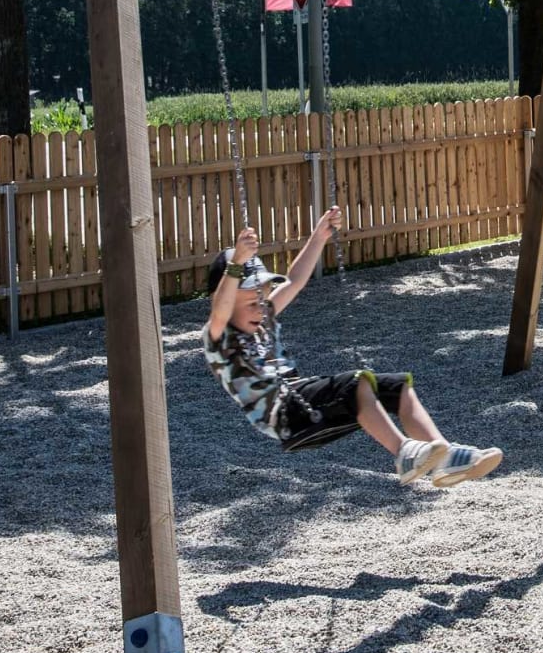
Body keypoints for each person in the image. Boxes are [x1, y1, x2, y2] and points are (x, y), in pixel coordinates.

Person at [201, 207, 503, 487]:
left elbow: (294, 281)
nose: (260, 308)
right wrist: (236, 265)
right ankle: (403, 453)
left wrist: (319, 236)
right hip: (285, 415)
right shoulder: (218, 336)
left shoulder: (264, 315)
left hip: (301, 397)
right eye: (250, 303)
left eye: (262, 299)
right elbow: (220, 310)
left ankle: (445, 458)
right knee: (356, 382)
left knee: (397, 386)